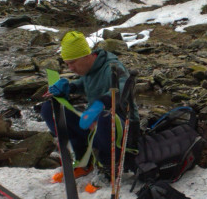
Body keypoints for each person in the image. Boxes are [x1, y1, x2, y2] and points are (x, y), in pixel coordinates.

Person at [41, 31, 138, 190]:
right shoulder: (88, 69)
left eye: (73, 63)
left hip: (122, 129)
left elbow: (124, 88)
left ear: (87, 56)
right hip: (95, 124)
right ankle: (83, 160)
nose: (70, 68)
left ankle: (108, 169)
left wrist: (102, 102)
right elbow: (84, 83)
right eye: (67, 64)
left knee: (105, 117)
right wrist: (68, 86)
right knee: (49, 109)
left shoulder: (112, 67)